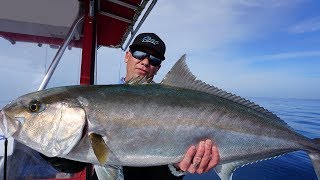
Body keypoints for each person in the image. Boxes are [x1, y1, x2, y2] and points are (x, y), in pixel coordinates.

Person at [118, 32, 220, 179]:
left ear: (158, 68)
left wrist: (177, 167)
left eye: (154, 59)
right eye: (139, 53)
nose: (145, 62)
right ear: (127, 56)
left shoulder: (172, 104)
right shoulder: (97, 100)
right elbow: (73, 165)